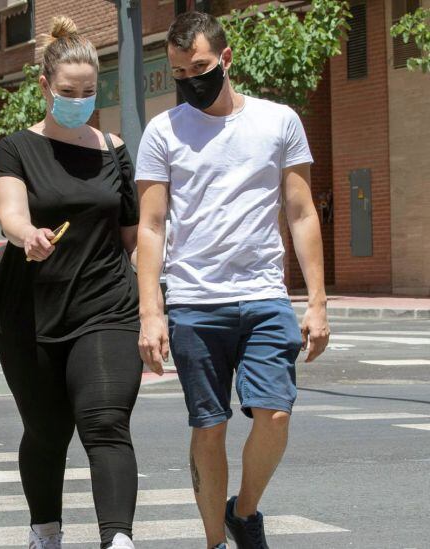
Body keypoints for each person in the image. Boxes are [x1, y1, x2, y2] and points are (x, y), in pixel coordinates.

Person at [135, 12, 330, 549]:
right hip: (195, 303)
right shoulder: (163, 131)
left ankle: (245, 512)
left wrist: (316, 302)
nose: (190, 80)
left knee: (274, 416)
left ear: (224, 59)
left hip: (265, 296)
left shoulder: (278, 121)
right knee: (210, 426)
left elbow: (301, 212)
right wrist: (151, 312)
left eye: (198, 67)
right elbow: (151, 227)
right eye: (179, 72)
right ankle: (215, 542)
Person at [0, 17, 147, 549]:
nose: (79, 101)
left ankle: (118, 539)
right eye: (67, 92)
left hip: (106, 305)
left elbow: (134, 237)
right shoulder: (16, 147)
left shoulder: (116, 151)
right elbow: (9, 210)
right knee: (48, 432)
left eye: (87, 92)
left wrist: (155, 306)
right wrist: (26, 234)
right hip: (29, 311)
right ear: (44, 87)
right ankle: (45, 530)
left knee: (104, 421)